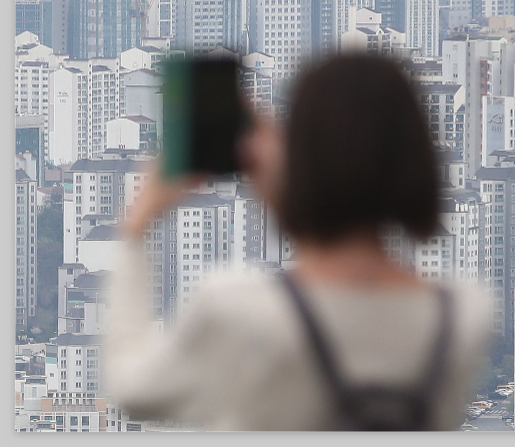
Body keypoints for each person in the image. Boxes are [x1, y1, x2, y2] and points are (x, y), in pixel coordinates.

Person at [104, 54, 491, 430]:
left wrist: (137, 227)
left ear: (300, 162)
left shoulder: (242, 311)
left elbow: (129, 388)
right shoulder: (464, 317)